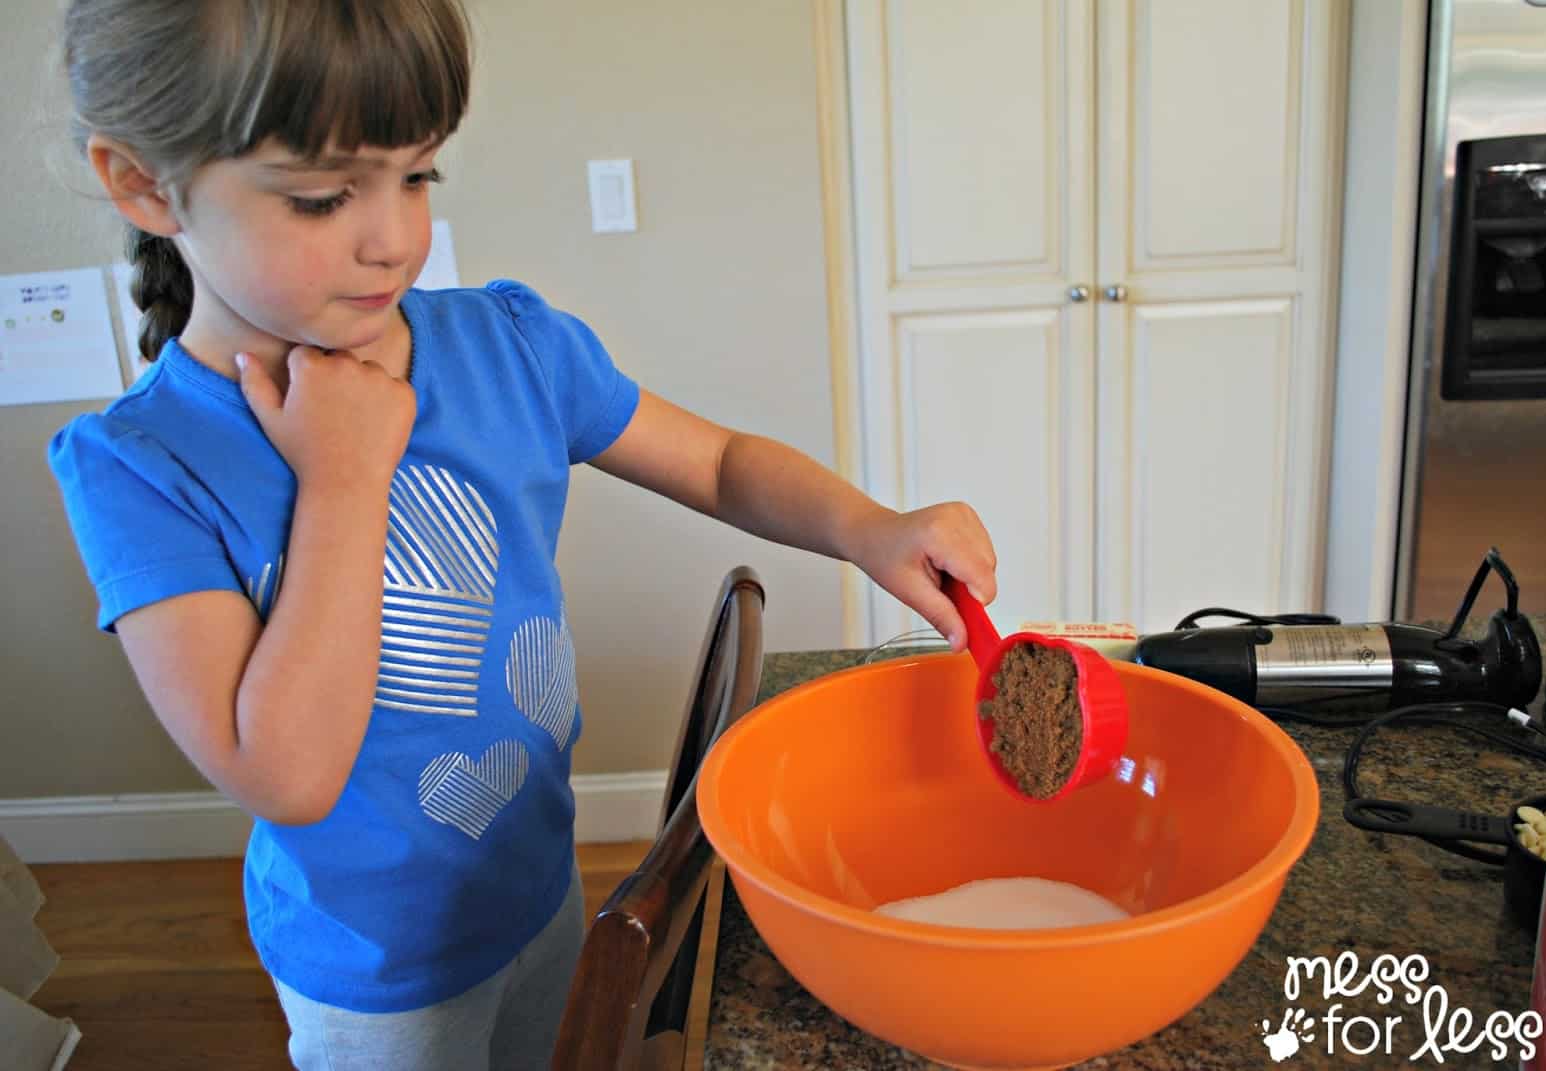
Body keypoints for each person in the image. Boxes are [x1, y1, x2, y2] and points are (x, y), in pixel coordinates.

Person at [44, 1, 997, 1068]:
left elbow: (720, 462)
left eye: (417, 176)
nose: (395, 238)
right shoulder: (139, 466)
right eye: (322, 197)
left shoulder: (508, 345)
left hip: (540, 879)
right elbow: (288, 774)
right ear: (143, 184)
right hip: (376, 975)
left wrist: (868, 526)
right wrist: (348, 477)